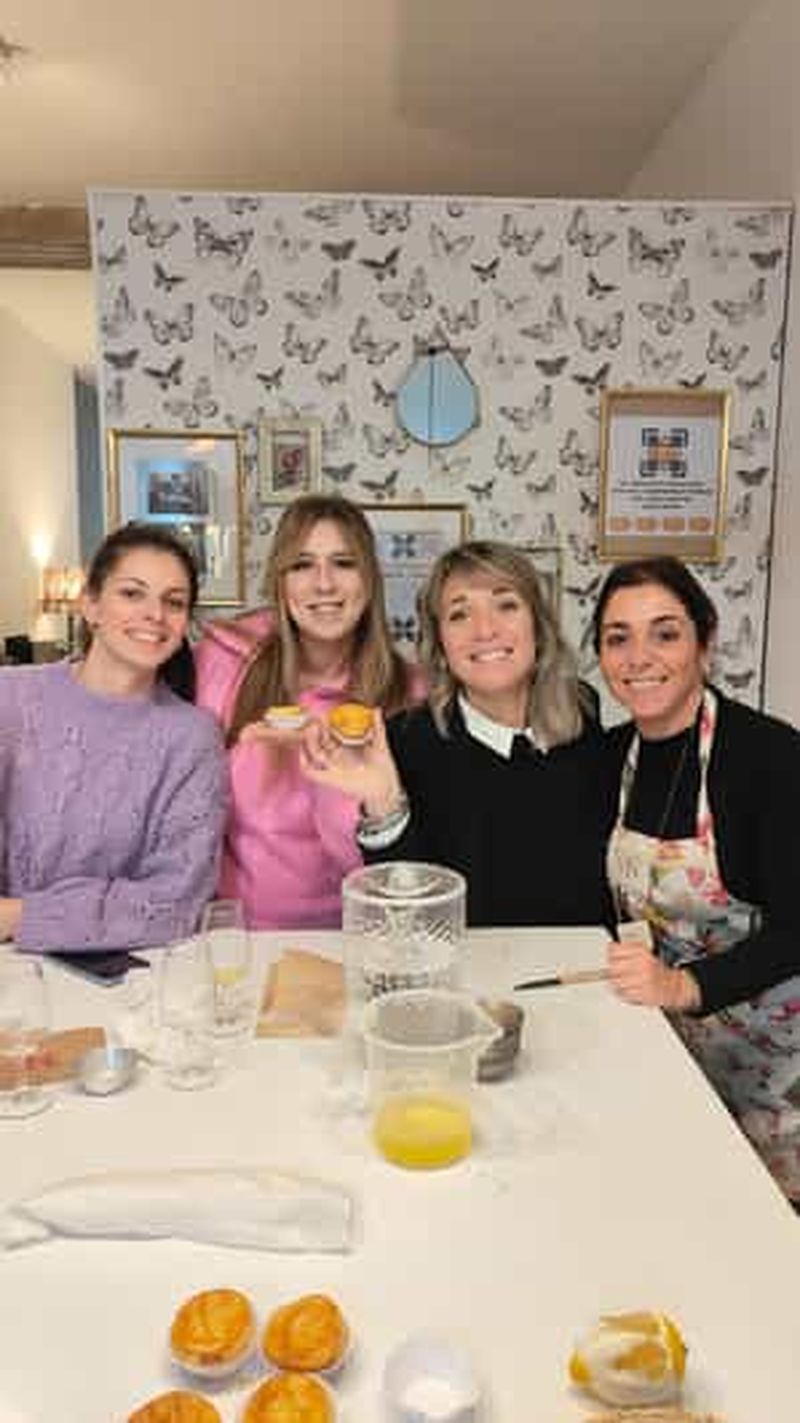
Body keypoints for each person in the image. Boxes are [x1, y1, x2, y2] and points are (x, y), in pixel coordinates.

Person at [594, 555, 800, 1202]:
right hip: (670, 1056)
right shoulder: (609, 757)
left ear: (705, 638)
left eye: (665, 632)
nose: (639, 656)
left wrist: (685, 983)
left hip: (777, 1069)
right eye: (617, 637)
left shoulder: (768, 756)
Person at [301, 540, 610, 927]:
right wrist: (383, 802)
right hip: (465, 973)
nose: (485, 630)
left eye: (506, 605)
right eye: (459, 614)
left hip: (580, 970)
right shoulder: (406, 739)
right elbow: (406, 910)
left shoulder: (583, 710)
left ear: (539, 627)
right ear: (441, 645)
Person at [194, 494, 421, 929]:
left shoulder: (410, 693)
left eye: (343, 563)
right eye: (301, 565)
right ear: (280, 582)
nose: (324, 584)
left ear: (369, 579)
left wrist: (339, 779)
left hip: (357, 938)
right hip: (235, 939)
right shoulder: (220, 662)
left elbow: (396, 868)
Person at [0, 523, 226, 953]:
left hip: (129, 981)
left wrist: (19, 915)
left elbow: (174, 903)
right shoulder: (10, 697)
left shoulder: (193, 738)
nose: (154, 615)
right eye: (132, 593)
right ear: (91, 605)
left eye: (173, 602)